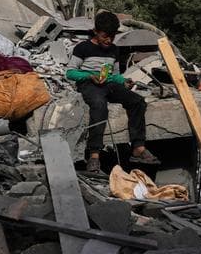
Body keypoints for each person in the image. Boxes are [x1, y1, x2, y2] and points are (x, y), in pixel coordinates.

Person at [66, 10, 161, 173]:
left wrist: (124, 82)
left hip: (109, 84)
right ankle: (94, 154)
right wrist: (89, 76)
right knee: (99, 105)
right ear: (95, 32)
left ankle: (138, 147)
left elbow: (115, 75)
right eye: (105, 36)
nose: (109, 40)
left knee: (137, 101)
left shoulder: (114, 50)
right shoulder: (82, 48)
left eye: (112, 36)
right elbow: (70, 72)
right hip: (89, 84)